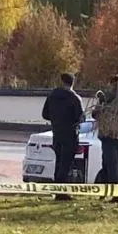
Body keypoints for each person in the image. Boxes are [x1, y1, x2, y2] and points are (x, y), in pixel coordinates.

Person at [41, 73, 84, 201]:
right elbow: (80, 118)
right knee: (66, 164)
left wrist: (56, 119)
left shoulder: (52, 96)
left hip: (57, 133)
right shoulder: (74, 98)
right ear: (72, 83)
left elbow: (45, 114)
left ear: (61, 82)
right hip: (70, 134)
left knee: (59, 162)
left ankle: (57, 191)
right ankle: (62, 193)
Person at [92, 75, 118, 203]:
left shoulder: (108, 97)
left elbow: (95, 114)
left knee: (112, 165)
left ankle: (116, 194)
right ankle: (114, 192)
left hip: (110, 135)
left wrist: (102, 103)